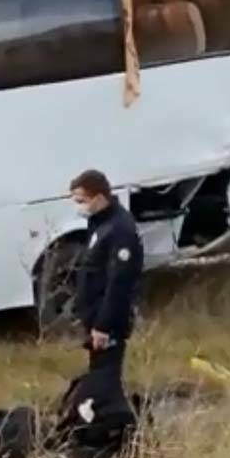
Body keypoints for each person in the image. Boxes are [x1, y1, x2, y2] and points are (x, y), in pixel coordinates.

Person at [69, 169, 144, 400]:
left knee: (106, 379)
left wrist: (103, 326)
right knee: (99, 374)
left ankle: (114, 414)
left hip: (109, 323)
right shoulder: (100, 223)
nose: (78, 207)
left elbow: (119, 283)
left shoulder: (120, 230)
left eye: (81, 200)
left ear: (99, 197)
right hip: (95, 317)